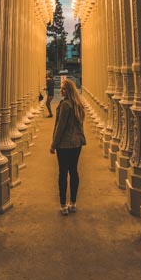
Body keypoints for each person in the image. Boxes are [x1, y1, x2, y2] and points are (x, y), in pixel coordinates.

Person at [50, 77, 87, 215]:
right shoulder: (78, 104)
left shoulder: (65, 105)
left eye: (64, 88)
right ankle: (73, 203)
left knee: (63, 173)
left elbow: (60, 127)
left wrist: (53, 145)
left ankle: (63, 204)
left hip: (64, 144)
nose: (61, 90)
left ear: (69, 90)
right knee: (74, 171)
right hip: (76, 144)